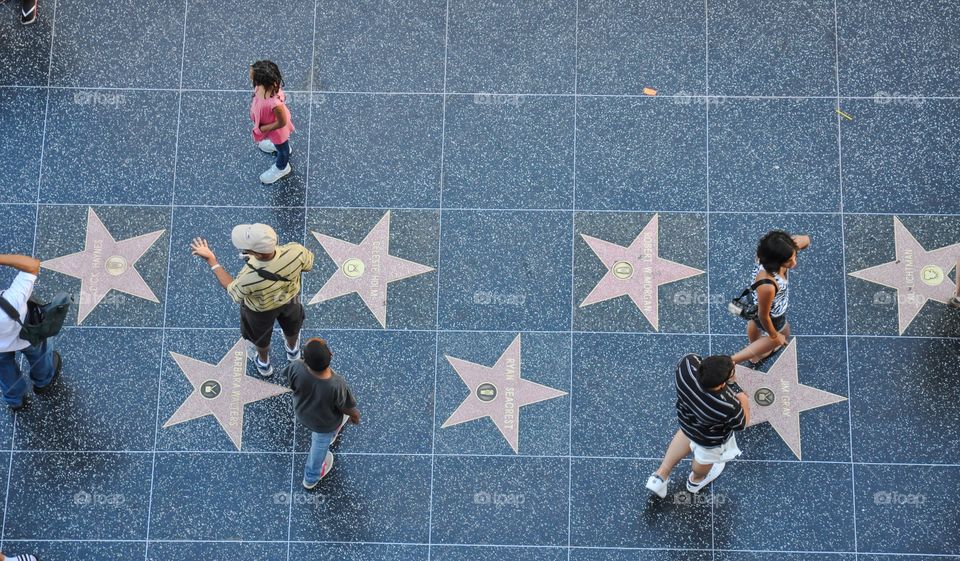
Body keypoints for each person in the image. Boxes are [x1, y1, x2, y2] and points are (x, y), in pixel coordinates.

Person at [189, 224, 314, 377]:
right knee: (293, 327)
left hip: (260, 311)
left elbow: (233, 291)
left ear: (258, 254)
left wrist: (212, 260)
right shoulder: (297, 251)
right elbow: (308, 265)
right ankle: (293, 350)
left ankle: (264, 363)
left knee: (261, 338)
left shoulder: (248, 276)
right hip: (291, 300)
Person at [646, 354, 749, 498]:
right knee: (704, 458)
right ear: (721, 384)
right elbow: (741, 424)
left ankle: (660, 476)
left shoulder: (686, 364)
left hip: (687, 420)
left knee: (686, 435)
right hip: (709, 439)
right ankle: (695, 481)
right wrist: (743, 400)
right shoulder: (728, 404)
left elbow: (697, 358)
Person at [280, 338, 360, 489]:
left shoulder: (296, 366)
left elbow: (290, 382)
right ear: (331, 354)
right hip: (324, 423)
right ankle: (311, 478)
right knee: (319, 447)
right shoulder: (336, 384)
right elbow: (345, 406)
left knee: (325, 436)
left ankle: (311, 477)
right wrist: (355, 415)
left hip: (303, 412)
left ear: (305, 360)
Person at [731, 230, 811, 365]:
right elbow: (764, 316)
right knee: (783, 333)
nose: (794, 263)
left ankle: (755, 348)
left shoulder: (769, 253)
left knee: (754, 322)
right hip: (772, 312)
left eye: (795, 257)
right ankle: (755, 354)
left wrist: (794, 245)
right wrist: (775, 336)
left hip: (755, 299)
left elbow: (806, 239)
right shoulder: (768, 285)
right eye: (788, 261)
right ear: (776, 261)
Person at [0, 254, 62, 411]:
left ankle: (15, 400)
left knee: (5, 371)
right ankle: (43, 382)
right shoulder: (12, 298)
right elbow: (32, 265)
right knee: (40, 356)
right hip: (27, 336)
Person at [250, 60, 295, 184]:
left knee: (283, 150)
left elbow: (282, 122)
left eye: (254, 72)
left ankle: (282, 167)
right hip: (269, 128)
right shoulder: (260, 86)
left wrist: (264, 129)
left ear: (262, 80)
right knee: (278, 145)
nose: (251, 69)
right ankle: (275, 145)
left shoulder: (275, 104)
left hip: (276, 131)